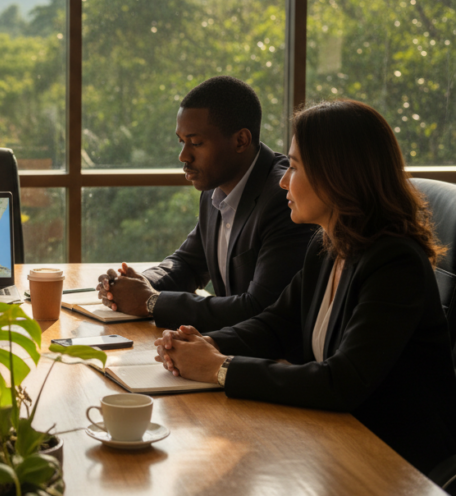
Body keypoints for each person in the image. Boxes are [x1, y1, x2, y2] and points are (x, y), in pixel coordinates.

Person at [155, 99, 456, 477]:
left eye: (294, 167)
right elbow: (275, 324)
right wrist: (204, 343)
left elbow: (341, 381)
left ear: (337, 175)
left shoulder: (395, 263)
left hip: (394, 460)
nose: (282, 179)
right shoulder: (328, 245)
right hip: (336, 438)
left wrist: (220, 368)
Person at [97, 76, 316, 331]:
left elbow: (260, 308)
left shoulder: (284, 197)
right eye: (182, 141)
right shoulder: (216, 188)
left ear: (241, 141)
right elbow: (188, 264)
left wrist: (152, 302)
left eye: (196, 143)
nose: (183, 156)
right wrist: (138, 283)